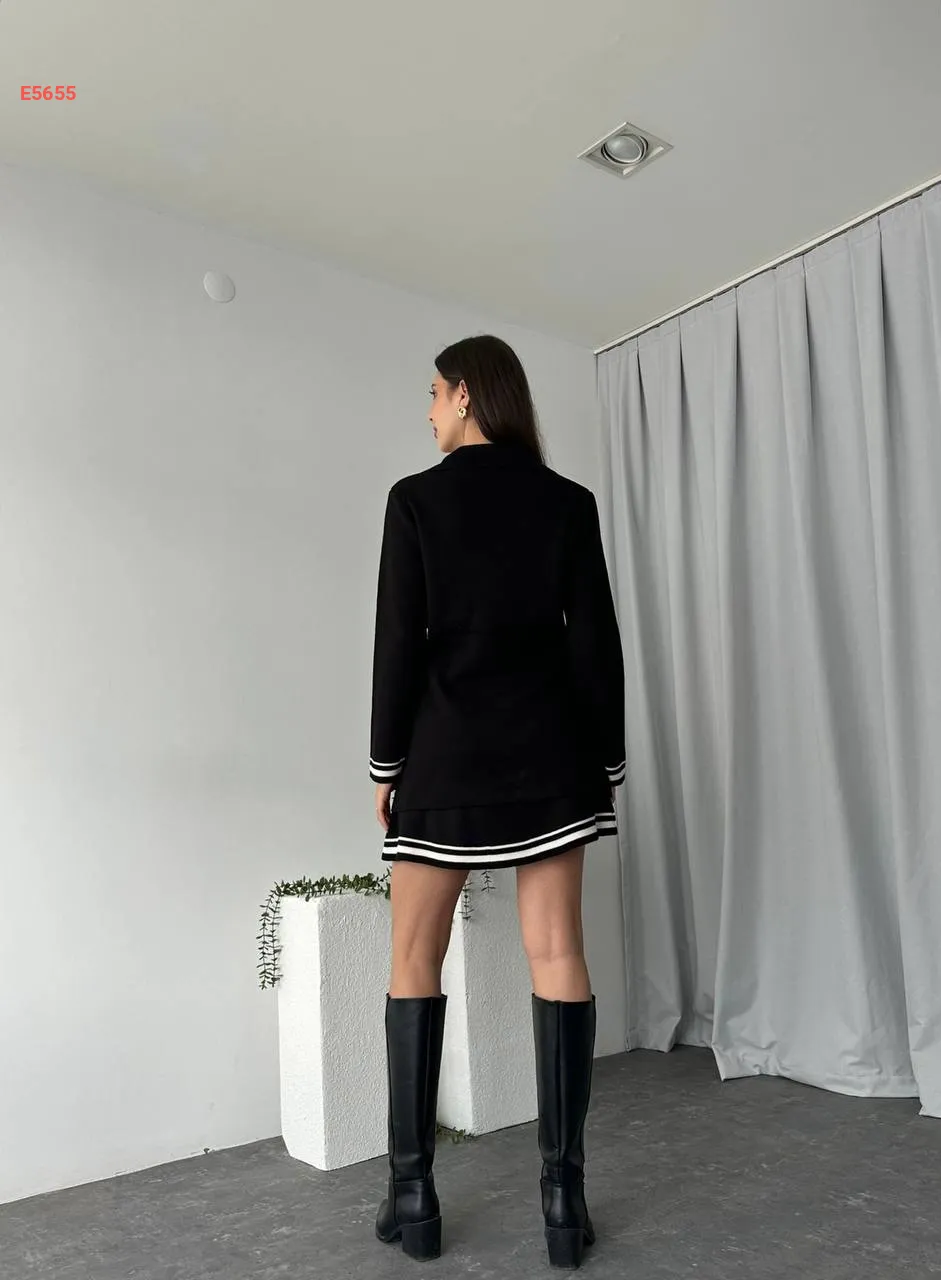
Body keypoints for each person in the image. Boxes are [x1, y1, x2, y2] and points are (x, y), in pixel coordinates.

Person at [369, 334, 625, 1268]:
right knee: (558, 952)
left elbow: (398, 643)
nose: (428, 410)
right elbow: (594, 643)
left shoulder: (414, 499)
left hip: (444, 758)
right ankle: (562, 1201)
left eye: (434, 393)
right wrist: (605, 762)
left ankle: (413, 1194)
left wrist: (384, 764)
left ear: (468, 395)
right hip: (549, 758)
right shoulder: (567, 502)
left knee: (412, 957)